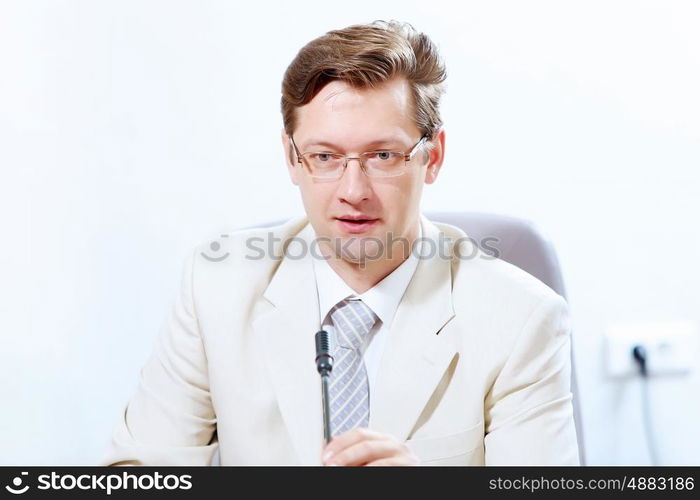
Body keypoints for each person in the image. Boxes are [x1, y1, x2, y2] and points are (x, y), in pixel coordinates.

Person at [101, 20, 579, 466]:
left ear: (432, 157)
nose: (353, 191)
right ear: (292, 158)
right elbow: (137, 472)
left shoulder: (521, 318)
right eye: (325, 156)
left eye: (383, 155)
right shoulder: (216, 288)